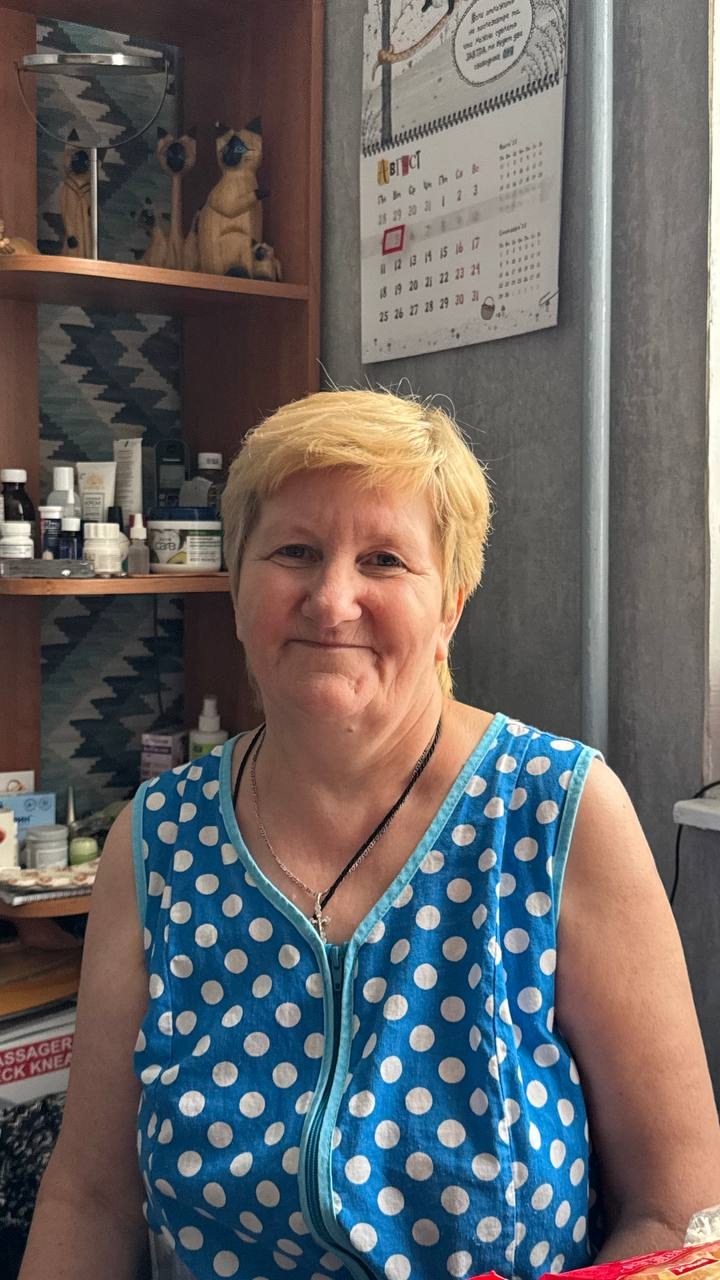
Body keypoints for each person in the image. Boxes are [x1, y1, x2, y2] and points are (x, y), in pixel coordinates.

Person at [20, 389, 720, 1280]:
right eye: (295, 552)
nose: (332, 600)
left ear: (450, 605)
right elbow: (91, 1198)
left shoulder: (558, 812)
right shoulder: (156, 842)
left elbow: (677, 1209)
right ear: (236, 583)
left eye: (384, 560)